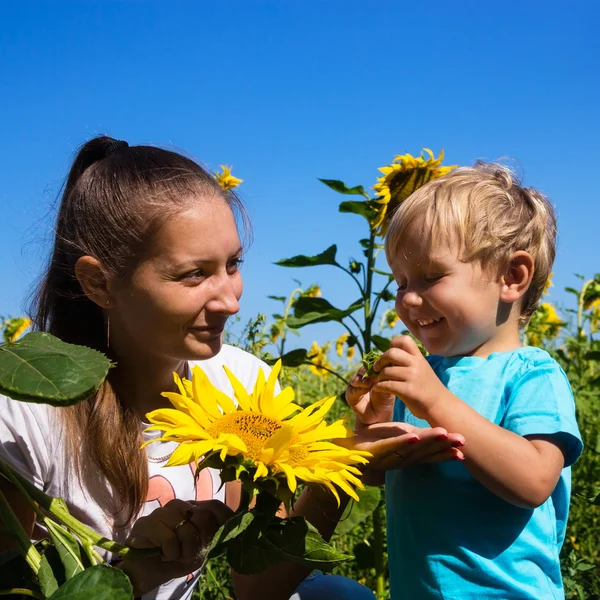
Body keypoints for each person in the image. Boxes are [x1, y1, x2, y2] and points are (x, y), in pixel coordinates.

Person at [0, 136, 465, 600]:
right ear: (99, 283)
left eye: (232, 265)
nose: (231, 300)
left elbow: (258, 587)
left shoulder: (239, 380)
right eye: (194, 274)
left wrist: (340, 468)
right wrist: (137, 576)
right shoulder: (26, 416)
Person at [347, 162, 584, 599]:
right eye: (400, 282)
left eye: (431, 276)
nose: (409, 298)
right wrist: (373, 422)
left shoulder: (532, 374)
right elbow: (389, 477)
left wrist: (435, 401)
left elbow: (533, 481)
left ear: (511, 277)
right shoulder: (429, 375)